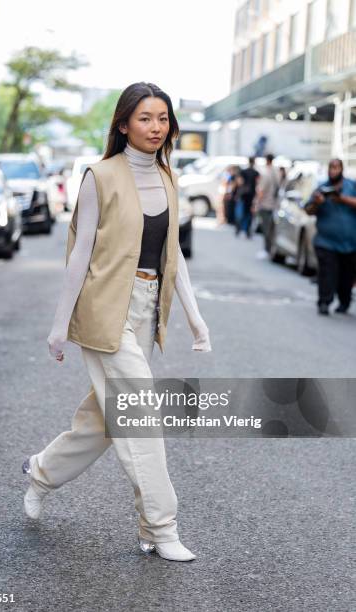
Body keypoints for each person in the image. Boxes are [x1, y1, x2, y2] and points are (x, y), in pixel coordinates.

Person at [22, 82, 212, 563]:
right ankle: (160, 527)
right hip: (106, 310)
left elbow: (175, 256)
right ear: (123, 123)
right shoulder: (99, 176)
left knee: (106, 420)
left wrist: (195, 318)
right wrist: (58, 325)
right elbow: (80, 254)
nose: (155, 127)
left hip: (148, 309)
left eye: (163, 118)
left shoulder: (169, 177)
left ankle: (42, 471)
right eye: (145, 118)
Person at [304, 158, 356, 315]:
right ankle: (324, 301)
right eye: (331, 167)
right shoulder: (321, 188)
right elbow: (308, 210)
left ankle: (344, 302)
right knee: (327, 273)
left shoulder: (351, 186)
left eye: (336, 167)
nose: (333, 171)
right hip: (326, 242)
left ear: (341, 169)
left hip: (350, 244)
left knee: (346, 276)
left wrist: (342, 200)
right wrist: (318, 202)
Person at [255, 154, 280, 253]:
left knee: (266, 228)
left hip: (265, 204)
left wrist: (256, 204)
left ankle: (267, 249)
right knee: (270, 227)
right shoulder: (277, 172)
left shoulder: (266, 173)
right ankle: (269, 248)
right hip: (274, 204)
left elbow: (261, 191)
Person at [235, 156, 260, 238]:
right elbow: (258, 184)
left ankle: (238, 229)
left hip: (243, 194)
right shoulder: (256, 173)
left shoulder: (243, 171)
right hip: (251, 195)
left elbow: (239, 182)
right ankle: (247, 231)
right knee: (249, 213)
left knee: (241, 212)